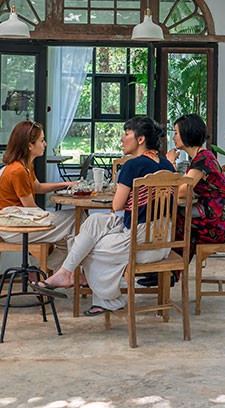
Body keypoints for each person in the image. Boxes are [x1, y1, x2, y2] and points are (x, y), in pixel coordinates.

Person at [34, 116, 175, 315]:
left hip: (140, 244)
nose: (122, 139)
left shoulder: (132, 166)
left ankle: (110, 299)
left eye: (126, 134)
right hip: (163, 241)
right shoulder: (167, 166)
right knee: (94, 221)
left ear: (140, 139)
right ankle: (67, 273)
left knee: (86, 246)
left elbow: (117, 205)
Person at [138, 114, 225, 287]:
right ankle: (167, 271)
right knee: (177, 218)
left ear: (187, 133)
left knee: (176, 219)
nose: (173, 137)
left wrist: (170, 163)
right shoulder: (199, 158)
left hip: (217, 222)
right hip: (212, 215)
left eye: (176, 133)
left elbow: (182, 190)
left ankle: (166, 270)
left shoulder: (203, 159)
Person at [0, 120, 76, 269]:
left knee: (70, 230)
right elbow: (31, 208)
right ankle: (52, 271)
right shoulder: (18, 171)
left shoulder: (25, 165)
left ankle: (43, 270)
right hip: (16, 229)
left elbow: (37, 187)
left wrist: (66, 184)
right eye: (42, 140)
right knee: (78, 219)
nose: (45, 144)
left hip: (19, 223)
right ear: (29, 145)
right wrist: (49, 217)